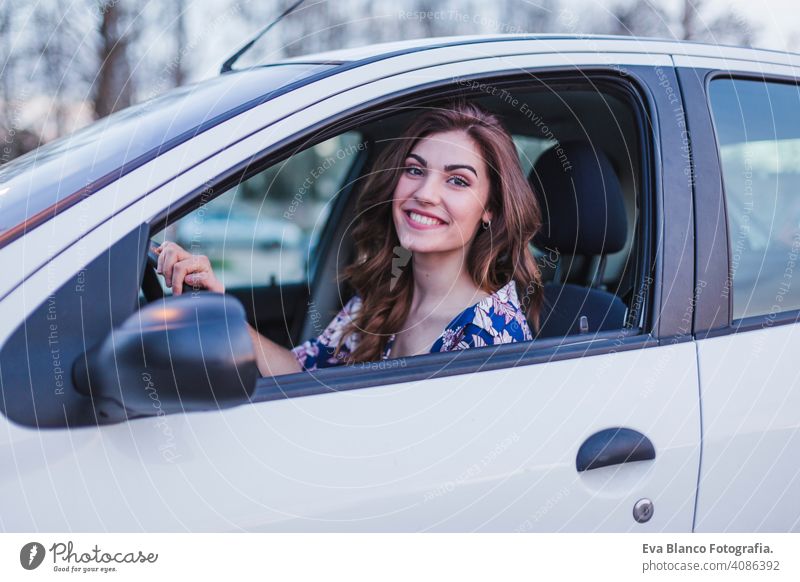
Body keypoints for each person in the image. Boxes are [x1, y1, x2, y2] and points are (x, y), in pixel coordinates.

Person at [155, 98, 544, 377]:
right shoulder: (383, 295)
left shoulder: (493, 334)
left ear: (490, 209)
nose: (425, 193)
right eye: (414, 170)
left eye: (457, 180)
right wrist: (221, 309)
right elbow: (302, 374)